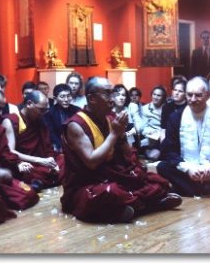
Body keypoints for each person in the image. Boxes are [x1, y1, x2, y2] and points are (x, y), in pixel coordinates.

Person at [60, 76, 182, 223]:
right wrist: (114, 133)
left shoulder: (111, 118)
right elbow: (91, 162)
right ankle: (147, 204)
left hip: (112, 175)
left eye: (114, 93)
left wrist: (122, 135)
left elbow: (128, 153)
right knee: (110, 192)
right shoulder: (76, 124)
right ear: (91, 98)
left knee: (156, 181)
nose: (113, 99)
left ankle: (129, 206)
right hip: (87, 183)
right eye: (107, 94)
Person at [157, 76, 210, 197]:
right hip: (186, 170)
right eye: (189, 95)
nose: (193, 99)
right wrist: (188, 168)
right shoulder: (175, 118)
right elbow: (168, 150)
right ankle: (204, 188)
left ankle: (188, 188)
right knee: (162, 166)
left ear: (208, 95)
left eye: (198, 95)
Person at [0, 88, 39, 219]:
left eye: (2, 108)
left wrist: (18, 164)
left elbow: (5, 151)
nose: (0, 113)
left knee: (29, 195)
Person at [1, 90, 65, 192]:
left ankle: (44, 179)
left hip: (43, 162)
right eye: (41, 110)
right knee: (28, 171)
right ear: (29, 104)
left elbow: (47, 147)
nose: (44, 114)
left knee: (65, 160)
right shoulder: (11, 121)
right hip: (25, 162)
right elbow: (10, 152)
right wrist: (40, 160)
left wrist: (51, 161)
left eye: (46, 110)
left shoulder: (40, 120)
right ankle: (45, 179)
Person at [44, 84, 81, 153]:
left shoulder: (77, 110)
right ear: (55, 98)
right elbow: (51, 133)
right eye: (62, 97)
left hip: (77, 145)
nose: (66, 99)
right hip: (58, 147)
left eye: (68, 96)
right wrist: (60, 146)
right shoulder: (49, 113)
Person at [140, 85, 167, 160]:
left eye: (158, 95)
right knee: (153, 155)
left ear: (163, 97)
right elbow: (142, 127)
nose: (155, 97)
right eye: (154, 94)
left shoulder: (167, 108)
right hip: (150, 137)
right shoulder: (145, 109)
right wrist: (150, 132)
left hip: (163, 137)